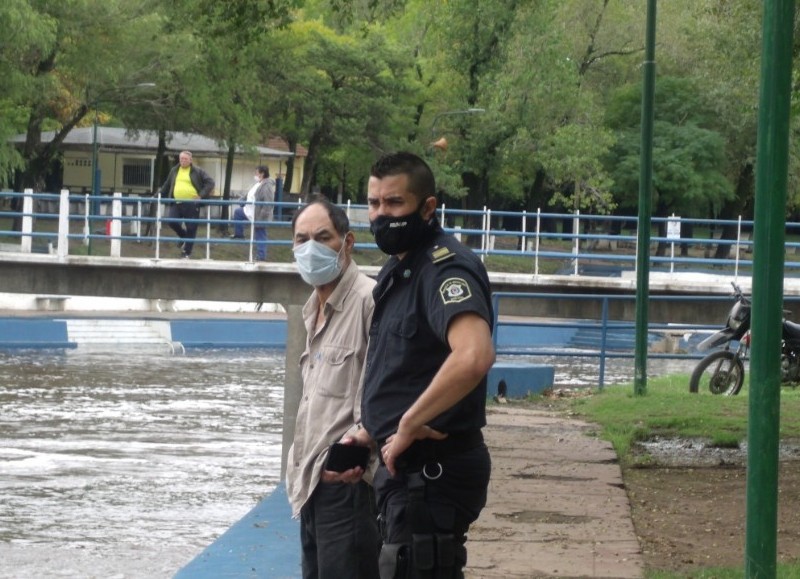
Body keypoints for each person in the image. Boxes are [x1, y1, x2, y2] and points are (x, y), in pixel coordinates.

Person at [350, 151, 495, 579]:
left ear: (427, 207)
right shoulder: (401, 270)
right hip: (407, 470)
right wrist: (369, 429)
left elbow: (474, 355)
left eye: (394, 203)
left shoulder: (444, 270)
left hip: (432, 471)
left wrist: (410, 422)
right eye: (374, 204)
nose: (381, 215)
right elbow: (406, 366)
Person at [285, 198, 381, 579]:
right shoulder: (313, 309)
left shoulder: (370, 301)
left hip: (349, 489)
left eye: (322, 237)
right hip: (311, 487)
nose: (310, 248)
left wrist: (357, 457)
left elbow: (379, 395)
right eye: (301, 239)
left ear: (347, 242)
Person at [158, 150, 215, 258]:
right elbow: (166, 185)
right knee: (171, 221)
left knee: (191, 228)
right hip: (177, 202)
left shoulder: (197, 171)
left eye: (185, 159)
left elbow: (210, 182)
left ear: (190, 160)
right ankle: (183, 236)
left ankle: (186, 253)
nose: (183, 161)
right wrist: (156, 196)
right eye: (181, 159)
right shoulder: (174, 170)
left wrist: (200, 195)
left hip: (192, 203)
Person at [230, 165, 275, 261]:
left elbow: (268, 203)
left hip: (259, 215)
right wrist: (243, 200)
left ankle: (261, 256)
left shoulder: (267, 186)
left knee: (260, 234)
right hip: (249, 211)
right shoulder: (259, 183)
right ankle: (239, 235)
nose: (255, 175)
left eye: (256, 173)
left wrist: (262, 218)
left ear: (262, 173)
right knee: (238, 213)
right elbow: (250, 194)